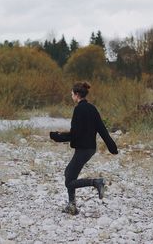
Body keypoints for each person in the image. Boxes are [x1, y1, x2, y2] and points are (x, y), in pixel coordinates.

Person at [50, 82, 118, 215]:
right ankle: (72, 206)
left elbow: (75, 133)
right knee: (69, 174)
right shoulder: (92, 108)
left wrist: (57, 137)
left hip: (83, 149)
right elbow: (102, 130)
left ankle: (96, 182)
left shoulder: (78, 109)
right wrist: (112, 147)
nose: (71, 96)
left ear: (76, 95)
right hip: (89, 149)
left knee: (69, 181)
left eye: (72, 94)